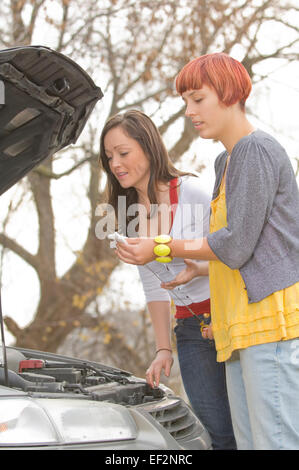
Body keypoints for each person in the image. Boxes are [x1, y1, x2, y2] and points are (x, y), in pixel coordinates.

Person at [115, 54, 299, 450]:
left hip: (270, 326)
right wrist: (198, 270)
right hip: (236, 330)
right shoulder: (226, 160)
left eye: (198, 99)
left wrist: (161, 246)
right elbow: (244, 247)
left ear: (231, 93)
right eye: (186, 102)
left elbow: (234, 244)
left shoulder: (257, 150)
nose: (190, 112)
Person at [99, 109, 236, 450]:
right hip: (189, 329)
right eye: (109, 156)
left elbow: (231, 254)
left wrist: (198, 268)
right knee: (215, 434)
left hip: (229, 318)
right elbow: (152, 286)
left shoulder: (191, 193)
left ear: (147, 147)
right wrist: (163, 349)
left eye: (123, 152)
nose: (115, 163)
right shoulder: (130, 213)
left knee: (247, 427)